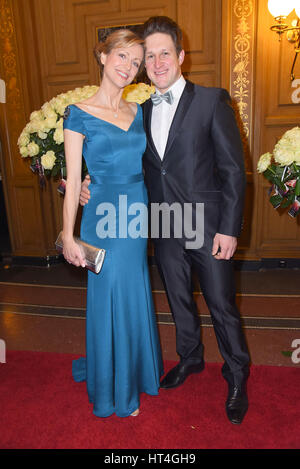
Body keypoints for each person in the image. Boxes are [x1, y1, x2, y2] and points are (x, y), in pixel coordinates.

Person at [80, 17, 250, 425]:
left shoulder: (212, 100)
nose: (156, 62)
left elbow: (232, 170)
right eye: (149, 56)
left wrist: (229, 228)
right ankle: (190, 359)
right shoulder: (137, 110)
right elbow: (124, 160)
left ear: (181, 56)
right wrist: (89, 182)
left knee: (222, 306)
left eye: (163, 53)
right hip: (163, 224)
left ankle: (237, 373)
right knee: (178, 302)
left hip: (208, 227)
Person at [62, 29, 164, 418]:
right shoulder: (77, 113)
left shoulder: (138, 112)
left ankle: (132, 373)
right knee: (113, 294)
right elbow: (73, 181)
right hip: (101, 215)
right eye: (122, 56)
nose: (129, 67)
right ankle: (118, 389)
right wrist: (68, 234)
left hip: (136, 211)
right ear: (103, 56)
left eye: (136, 62)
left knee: (134, 289)